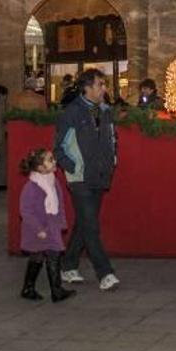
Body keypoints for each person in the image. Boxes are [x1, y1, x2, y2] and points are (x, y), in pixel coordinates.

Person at [53, 68, 120, 291]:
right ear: (87, 87)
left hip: (100, 175)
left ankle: (68, 265)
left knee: (84, 223)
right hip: (80, 178)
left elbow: (112, 138)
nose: (104, 89)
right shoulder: (72, 112)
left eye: (104, 84)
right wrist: (74, 167)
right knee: (91, 225)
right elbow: (59, 148)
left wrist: (112, 160)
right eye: (100, 84)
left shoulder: (106, 111)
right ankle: (105, 273)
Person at [18, 148, 76, 303]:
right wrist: (39, 229)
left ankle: (51, 291)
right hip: (38, 229)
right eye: (50, 160)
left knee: (53, 254)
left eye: (53, 159)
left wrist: (61, 221)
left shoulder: (53, 181)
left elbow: (60, 204)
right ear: (40, 167)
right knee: (38, 256)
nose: (54, 162)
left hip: (51, 226)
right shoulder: (31, 187)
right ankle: (32, 288)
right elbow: (26, 211)